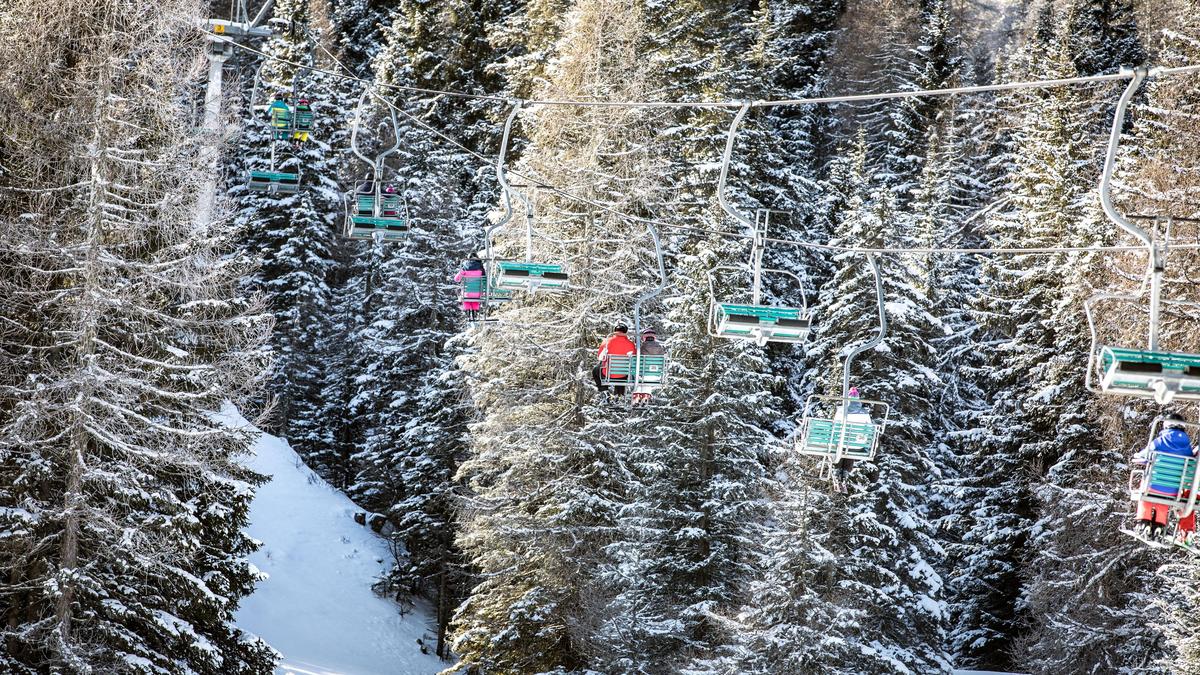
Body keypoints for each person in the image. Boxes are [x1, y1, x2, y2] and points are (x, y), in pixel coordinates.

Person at [1131, 413, 1198, 543]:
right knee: (1164, 500)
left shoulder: (1159, 442)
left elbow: (1143, 457)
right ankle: (1159, 526)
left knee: (1146, 493)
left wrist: (1139, 457)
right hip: (1173, 491)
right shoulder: (1187, 447)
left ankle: (1143, 522)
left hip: (1153, 487)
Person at [832, 386, 871, 494]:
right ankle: (844, 475)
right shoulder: (864, 412)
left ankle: (837, 472)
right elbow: (869, 428)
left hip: (840, 444)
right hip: (856, 445)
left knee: (840, 448)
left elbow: (835, 424)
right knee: (852, 449)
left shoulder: (841, 411)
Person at [593, 323, 636, 399]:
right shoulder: (631, 344)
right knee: (623, 372)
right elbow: (634, 358)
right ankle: (619, 395)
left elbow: (600, 356)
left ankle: (604, 391)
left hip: (608, 373)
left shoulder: (607, 342)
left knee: (596, 370)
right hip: (623, 374)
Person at [631, 328, 666, 405]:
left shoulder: (641, 348)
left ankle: (637, 397)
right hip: (655, 375)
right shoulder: (660, 348)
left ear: (644, 338)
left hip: (642, 374)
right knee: (647, 379)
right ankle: (645, 396)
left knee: (640, 378)